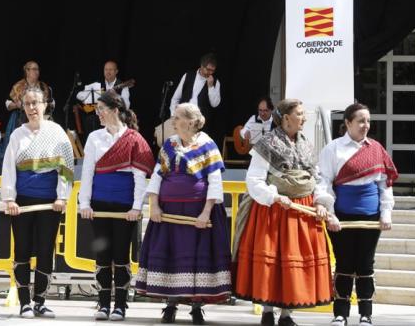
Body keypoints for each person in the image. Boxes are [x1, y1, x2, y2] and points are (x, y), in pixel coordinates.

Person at [232, 99, 332, 326]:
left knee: (291, 261)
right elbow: (254, 179)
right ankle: (268, 309)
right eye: (299, 114)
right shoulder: (267, 143)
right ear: (286, 117)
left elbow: (316, 179)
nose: (304, 118)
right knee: (274, 259)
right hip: (274, 210)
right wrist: (274, 196)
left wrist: (321, 202)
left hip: (301, 210)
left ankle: (287, 313)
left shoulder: (306, 144)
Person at [135, 103, 231, 325]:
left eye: (177, 117)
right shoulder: (169, 144)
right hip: (169, 213)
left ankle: (196, 308)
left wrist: (206, 213)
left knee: (195, 260)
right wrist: (154, 206)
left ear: (190, 121)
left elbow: (215, 182)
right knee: (170, 257)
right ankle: (170, 305)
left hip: (197, 214)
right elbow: (158, 176)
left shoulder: (207, 145)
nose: (173, 121)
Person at [315, 103, 397, 326]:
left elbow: (385, 184)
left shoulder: (376, 149)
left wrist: (386, 213)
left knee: (365, 265)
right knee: (344, 264)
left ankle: (366, 315)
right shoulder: (333, 149)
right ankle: (340, 313)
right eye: (360, 121)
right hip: (341, 216)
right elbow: (324, 182)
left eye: (368, 121)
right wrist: (329, 213)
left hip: (370, 217)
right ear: (348, 123)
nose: (365, 125)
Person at [78, 91, 154, 321]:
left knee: (121, 255)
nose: (98, 113)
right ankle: (102, 304)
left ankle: (120, 305)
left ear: (115, 110)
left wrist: (136, 208)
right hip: (99, 205)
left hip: (124, 207)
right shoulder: (94, 138)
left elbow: (140, 178)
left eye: (101, 109)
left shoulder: (133, 139)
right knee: (102, 255)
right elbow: (88, 171)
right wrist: (85, 202)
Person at [2, 88, 74, 319]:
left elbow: (66, 167)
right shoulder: (17, 135)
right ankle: (24, 302)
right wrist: (10, 198)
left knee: (45, 250)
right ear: (23, 107)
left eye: (36, 103)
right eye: (28, 104)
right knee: (21, 249)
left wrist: (62, 196)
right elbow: (8, 169)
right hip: (22, 202)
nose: (32, 108)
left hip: (49, 203)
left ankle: (40, 301)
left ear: (45, 105)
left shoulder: (57, 132)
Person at [2, 61, 55, 154]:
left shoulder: (43, 86)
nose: (37, 72)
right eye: (34, 69)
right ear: (27, 71)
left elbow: (52, 103)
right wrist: (16, 105)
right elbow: (7, 103)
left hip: (40, 119)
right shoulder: (18, 86)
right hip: (21, 118)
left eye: (37, 69)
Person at [77, 61, 133, 143]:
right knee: (90, 119)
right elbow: (79, 95)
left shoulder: (122, 85)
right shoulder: (98, 85)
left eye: (111, 70)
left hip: (115, 118)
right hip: (99, 118)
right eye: (106, 69)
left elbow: (126, 105)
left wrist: (113, 101)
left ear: (116, 71)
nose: (108, 72)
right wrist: (96, 99)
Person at [170, 53, 221, 137]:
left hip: (200, 123)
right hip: (183, 118)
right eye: (208, 69)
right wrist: (173, 115)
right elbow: (175, 98)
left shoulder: (215, 82)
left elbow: (215, 104)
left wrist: (211, 87)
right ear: (202, 66)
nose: (210, 73)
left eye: (213, 70)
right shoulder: (188, 76)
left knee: (195, 148)